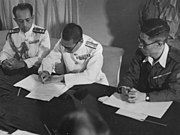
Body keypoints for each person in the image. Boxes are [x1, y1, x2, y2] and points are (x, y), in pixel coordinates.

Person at [118, 18, 180, 103]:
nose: (140, 45)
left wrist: (146, 97)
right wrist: (125, 87)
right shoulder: (140, 53)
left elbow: (176, 93)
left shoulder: (177, 61)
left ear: (159, 44)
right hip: (140, 105)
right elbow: (131, 76)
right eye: (139, 39)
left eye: (144, 43)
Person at [38, 23, 108, 86]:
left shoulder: (95, 48)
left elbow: (90, 76)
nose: (65, 50)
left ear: (80, 41)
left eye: (68, 48)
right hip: (72, 82)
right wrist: (46, 71)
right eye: (63, 46)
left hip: (95, 83)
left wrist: (61, 78)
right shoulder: (63, 43)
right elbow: (50, 59)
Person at [0, 3, 50, 73]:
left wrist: (22, 63)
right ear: (15, 20)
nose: (24, 24)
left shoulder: (42, 33)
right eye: (20, 21)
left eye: (27, 20)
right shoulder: (12, 34)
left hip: (35, 70)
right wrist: (4, 61)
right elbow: (6, 52)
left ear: (32, 17)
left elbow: (42, 57)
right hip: (16, 70)